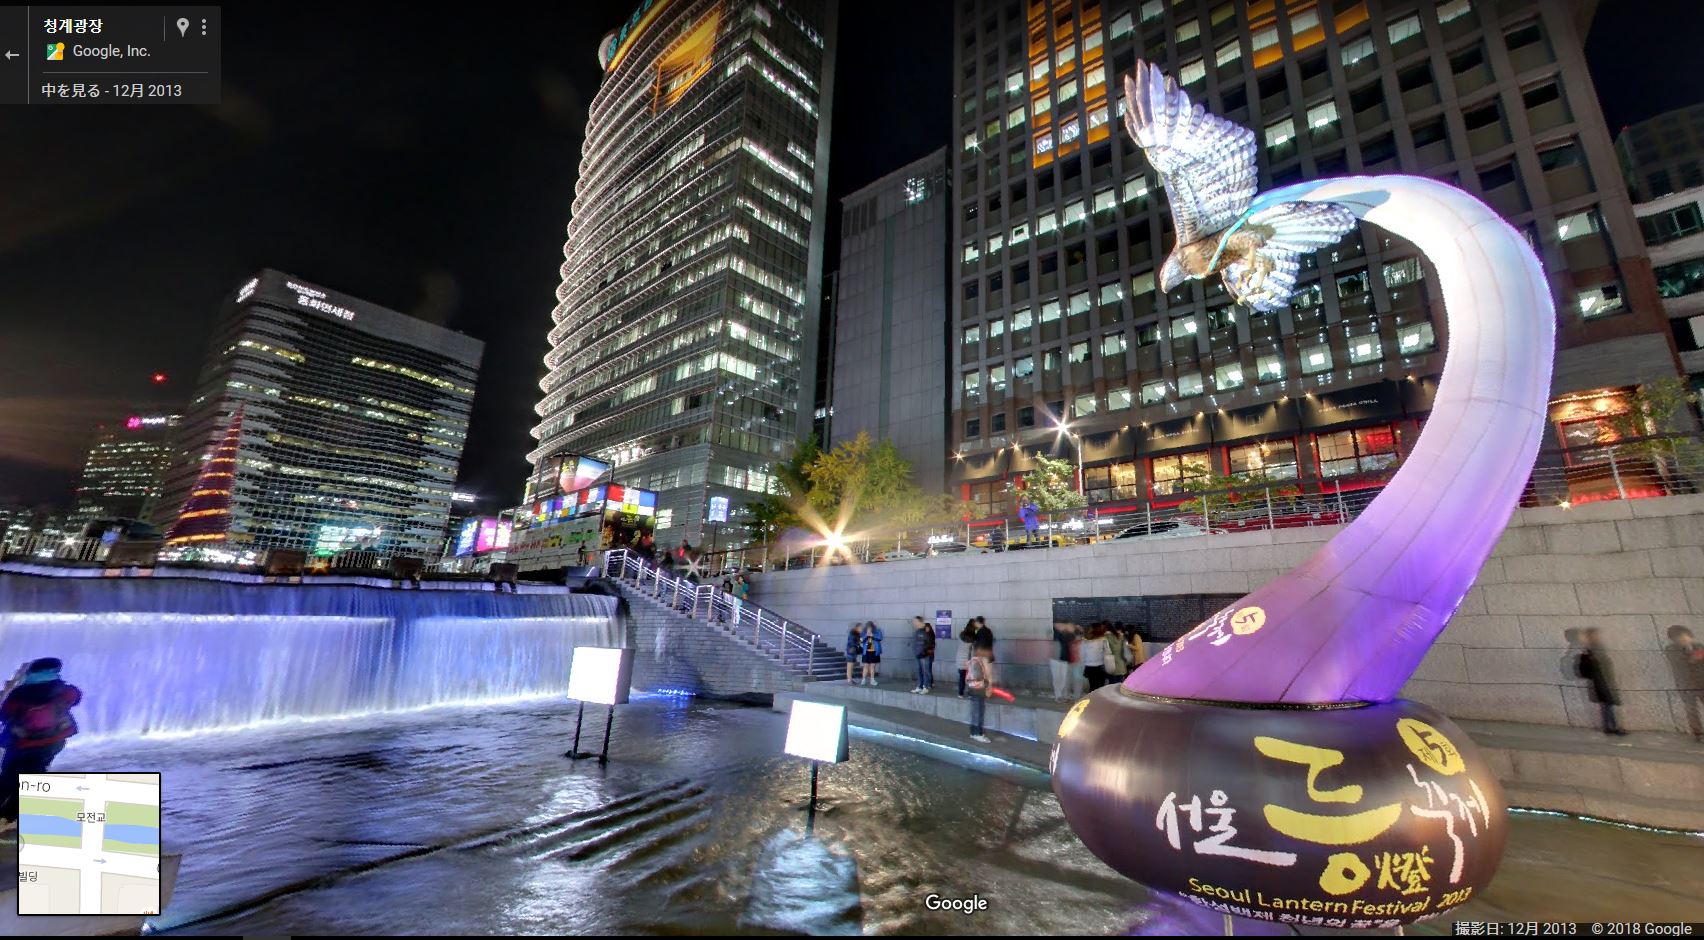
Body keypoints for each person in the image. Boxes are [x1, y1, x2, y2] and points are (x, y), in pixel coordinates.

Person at [0, 658, 83, 824]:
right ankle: (11, 814)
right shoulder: (66, 691)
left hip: (22, 744)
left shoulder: (20, 693)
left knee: (8, 777)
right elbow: (76, 698)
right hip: (53, 742)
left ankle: (7, 813)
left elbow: (4, 714)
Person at [1576, 628, 1626, 736]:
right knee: (1608, 705)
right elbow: (1587, 670)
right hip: (1600, 682)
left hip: (1603, 681)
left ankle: (1609, 727)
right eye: (1594, 635)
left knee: (1607, 705)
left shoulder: (1595, 649)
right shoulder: (1589, 651)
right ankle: (1612, 727)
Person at [1666, 625, 1704, 740]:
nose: (1684, 639)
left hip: (1702, 682)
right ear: (1674, 640)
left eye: (1686, 636)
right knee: (1691, 709)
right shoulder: (1671, 649)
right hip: (1686, 684)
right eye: (1680, 638)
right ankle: (1698, 733)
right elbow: (1679, 664)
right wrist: (1693, 656)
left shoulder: (1699, 646)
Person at [965, 645, 995, 744]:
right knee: (979, 711)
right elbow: (984, 675)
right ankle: (977, 733)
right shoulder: (981, 659)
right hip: (979, 689)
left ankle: (974, 731)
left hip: (972, 687)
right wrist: (988, 686)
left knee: (975, 711)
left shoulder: (972, 658)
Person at [1050, 619, 1082, 702]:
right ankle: (1060, 696)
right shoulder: (1055, 633)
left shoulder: (1070, 634)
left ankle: (1067, 696)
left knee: (1067, 679)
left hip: (1068, 660)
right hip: (1059, 659)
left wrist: (1078, 631)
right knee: (1059, 678)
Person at [1081, 623, 1111, 691]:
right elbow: (1108, 652)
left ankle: (1092, 696)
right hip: (1100, 666)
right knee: (1100, 686)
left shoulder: (1084, 641)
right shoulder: (1103, 640)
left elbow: (1082, 654)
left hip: (1088, 666)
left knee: (1092, 685)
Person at [911, 615, 936, 694]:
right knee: (919, 670)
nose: (914, 623)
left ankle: (926, 686)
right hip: (918, 654)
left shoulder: (927, 629)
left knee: (926, 671)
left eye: (915, 622)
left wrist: (925, 651)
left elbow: (931, 642)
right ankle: (919, 686)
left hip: (925, 654)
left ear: (919, 622)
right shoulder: (917, 631)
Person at [957, 620, 978, 698]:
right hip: (968, 660)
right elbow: (973, 651)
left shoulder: (961, 635)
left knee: (961, 677)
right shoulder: (973, 638)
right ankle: (970, 693)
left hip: (959, 658)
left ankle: (960, 693)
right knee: (970, 677)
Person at [861, 621, 881, 686]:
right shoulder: (864, 632)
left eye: (870, 627)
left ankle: (872, 680)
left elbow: (880, 638)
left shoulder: (877, 631)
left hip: (874, 651)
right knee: (866, 665)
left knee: (873, 666)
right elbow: (861, 640)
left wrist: (872, 635)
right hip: (866, 651)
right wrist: (866, 635)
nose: (869, 629)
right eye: (868, 627)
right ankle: (863, 679)